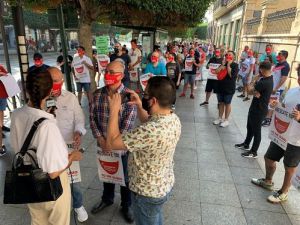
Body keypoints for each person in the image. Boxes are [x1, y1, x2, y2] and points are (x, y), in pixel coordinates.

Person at [105, 76, 181, 225]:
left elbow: (112, 143)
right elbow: (149, 121)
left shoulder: (149, 131)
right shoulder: (172, 118)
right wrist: (140, 105)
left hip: (146, 192)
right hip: (162, 184)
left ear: (153, 101)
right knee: (155, 217)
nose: (142, 96)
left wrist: (114, 110)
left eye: (145, 95)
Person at [10, 69, 82, 225]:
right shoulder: (47, 125)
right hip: (52, 187)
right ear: (50, 91)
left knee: (37, 221)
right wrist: (73, 157)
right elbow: (54, 172)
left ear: (26, 89)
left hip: (28, 181)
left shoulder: (15, 115)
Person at [89, 61, 137, 223]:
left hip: (121, 148)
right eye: (106, 71)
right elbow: (92, 118)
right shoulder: (97, 94)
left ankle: (126, 204)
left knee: (125, 178)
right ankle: (107, 198)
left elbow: (127, 127)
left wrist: (113, 144)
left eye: (112, 71)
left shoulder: (129, 97)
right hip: (102, 145)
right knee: (107, 174)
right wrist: (100, 139)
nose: (107, 74)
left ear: (122, 76)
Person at [251, 64, 300, 203]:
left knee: (289, 167)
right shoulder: (293, 91)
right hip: (282, 134)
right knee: (268, 158)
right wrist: (275, 105)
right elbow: (283, 106)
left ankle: (283, 192)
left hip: (296, 140)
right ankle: (268, 181)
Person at [48, 67, 88, 222]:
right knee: (52, 178)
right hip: (49, 148)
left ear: (62, 81)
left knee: (74, 181)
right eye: (50, 80)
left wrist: (78, 131)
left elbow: (79, 119)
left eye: (56, 81)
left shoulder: (70, 97)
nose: (53, 84)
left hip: (69, 145)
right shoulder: (41, 100)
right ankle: (53, 204)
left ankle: (78, 205)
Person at [235, 61, 273, 158]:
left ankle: (253, 152)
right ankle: (246, 144)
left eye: (260, 69)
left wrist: (252, 80)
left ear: (262, 69)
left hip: (259, 110)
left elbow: (250, 91)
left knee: (256, 131)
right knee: (250, 127)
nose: (259, 71)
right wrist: (254, 90)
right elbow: (254, 92)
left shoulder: (264, 82)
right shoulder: (267, 79)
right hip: (255, 107)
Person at [262, 50, 290, 127]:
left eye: (280, 55)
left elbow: (283, 78)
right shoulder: (277, 64)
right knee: (269, 103)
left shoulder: (285, 65)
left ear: (284, 56)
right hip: (271, 87)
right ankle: (267, 117)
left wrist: (276, 88)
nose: (278, 56)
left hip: (277, 89)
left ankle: (268, 120)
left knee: (272, 104)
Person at [213, 51, 239, 127]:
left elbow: (231, 75)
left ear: (233, 57)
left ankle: (226, 119)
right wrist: (222, 66)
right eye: (227, 55)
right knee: (221, 102)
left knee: (227, 103)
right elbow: (216, 72)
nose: (228, 56)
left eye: (230, 55)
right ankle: (220, 118)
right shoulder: (222, 64)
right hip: (220, 86)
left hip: (229, 88)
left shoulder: (235, 65)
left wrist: (228, 65)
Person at [0, 65, 8, 156]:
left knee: (0, 123)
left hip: (2, 95)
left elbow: (7, 76)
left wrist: (3, 75)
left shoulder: (1, 67)